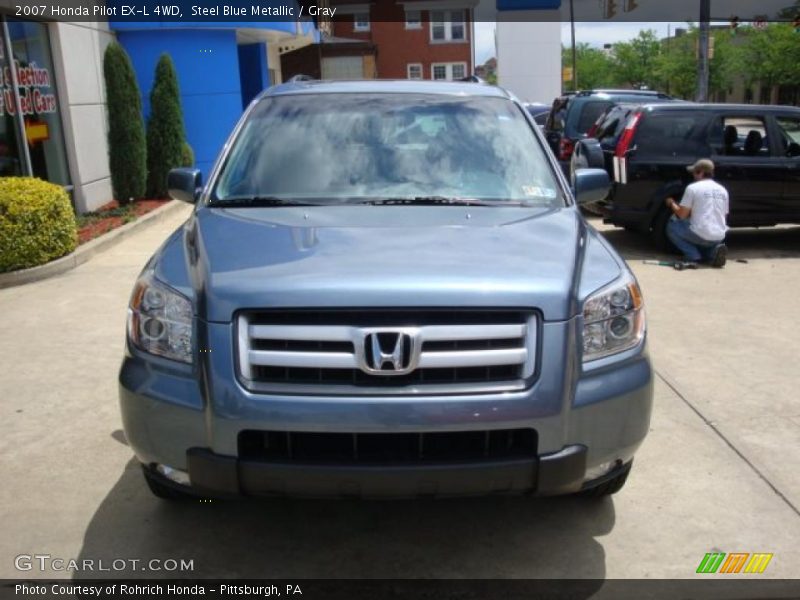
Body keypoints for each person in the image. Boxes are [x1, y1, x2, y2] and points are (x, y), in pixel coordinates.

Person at [664, 159, 729, 268]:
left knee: (672, 224)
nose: (693, 175)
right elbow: (724, 215)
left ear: (701, 173)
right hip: (719, 236)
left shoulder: (693, 188)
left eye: (694, 172)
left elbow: (682, 214)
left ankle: (692, 255)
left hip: (700, 234)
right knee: (705, 237)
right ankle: (712, 254)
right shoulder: (723, 190)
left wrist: (671, 203)